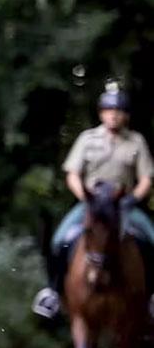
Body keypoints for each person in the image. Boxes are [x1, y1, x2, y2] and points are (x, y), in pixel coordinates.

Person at [32, 82, 154, 320]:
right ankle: (53, 293)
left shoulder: (136, 142)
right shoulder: (87, 139)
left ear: (126, 116)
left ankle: (151, 297)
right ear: (102, 113)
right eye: (109, 111)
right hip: (92, 205)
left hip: (123, 205)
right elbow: (73, 174)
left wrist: (134, 198)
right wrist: (85, 197)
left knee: (150, 240)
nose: (114, 115)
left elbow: (146, 178)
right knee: (61, 240)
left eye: (119, 111)